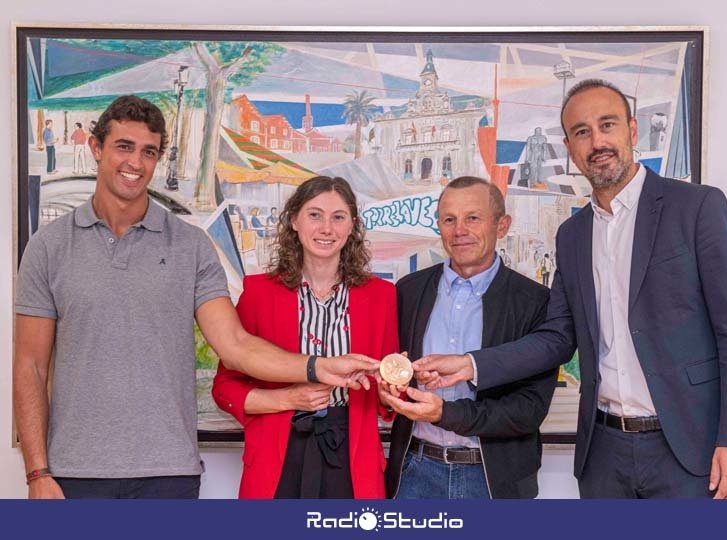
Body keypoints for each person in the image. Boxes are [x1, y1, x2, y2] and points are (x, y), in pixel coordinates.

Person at [13, 96, 379, 500]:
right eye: (124, 146)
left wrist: (318, 367)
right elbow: (30, 366)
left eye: (148, 152)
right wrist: (37, 472)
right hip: (71, 473)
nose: (136, 162)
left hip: (170, 472)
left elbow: (236, 346)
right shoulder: (48, 247)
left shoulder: (192, 246)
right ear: (96, 148)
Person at [412, 79, 727, 499]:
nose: (597, 141)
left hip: (688, 449)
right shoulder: (572, 235)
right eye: (582, 132)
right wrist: (470, 364)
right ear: (570, 147)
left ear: (632, 131)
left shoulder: (697, 208)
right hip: (604, 455)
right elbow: (557, 337)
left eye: (607, 125)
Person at [212, 176, 398, 499]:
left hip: (352, 458)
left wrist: (391, 389)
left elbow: (387, 399)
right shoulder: (258, 293)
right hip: (278, 454)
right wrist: (288, 399)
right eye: (315, 215)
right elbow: (224, 388)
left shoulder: (382, 297)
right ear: (294, 220)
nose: (326, 228)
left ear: (352, 225)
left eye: (338, 217)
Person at [379, 176, 558, 499]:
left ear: (502, 225)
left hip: (492, 482)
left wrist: (445, 415)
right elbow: (392, 376)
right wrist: (388, 389)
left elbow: (528, 411)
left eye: (472, 218)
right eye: (449, 219)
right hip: (413, 473)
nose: (459, 230)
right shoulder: (408, 291)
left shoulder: (536, 301)